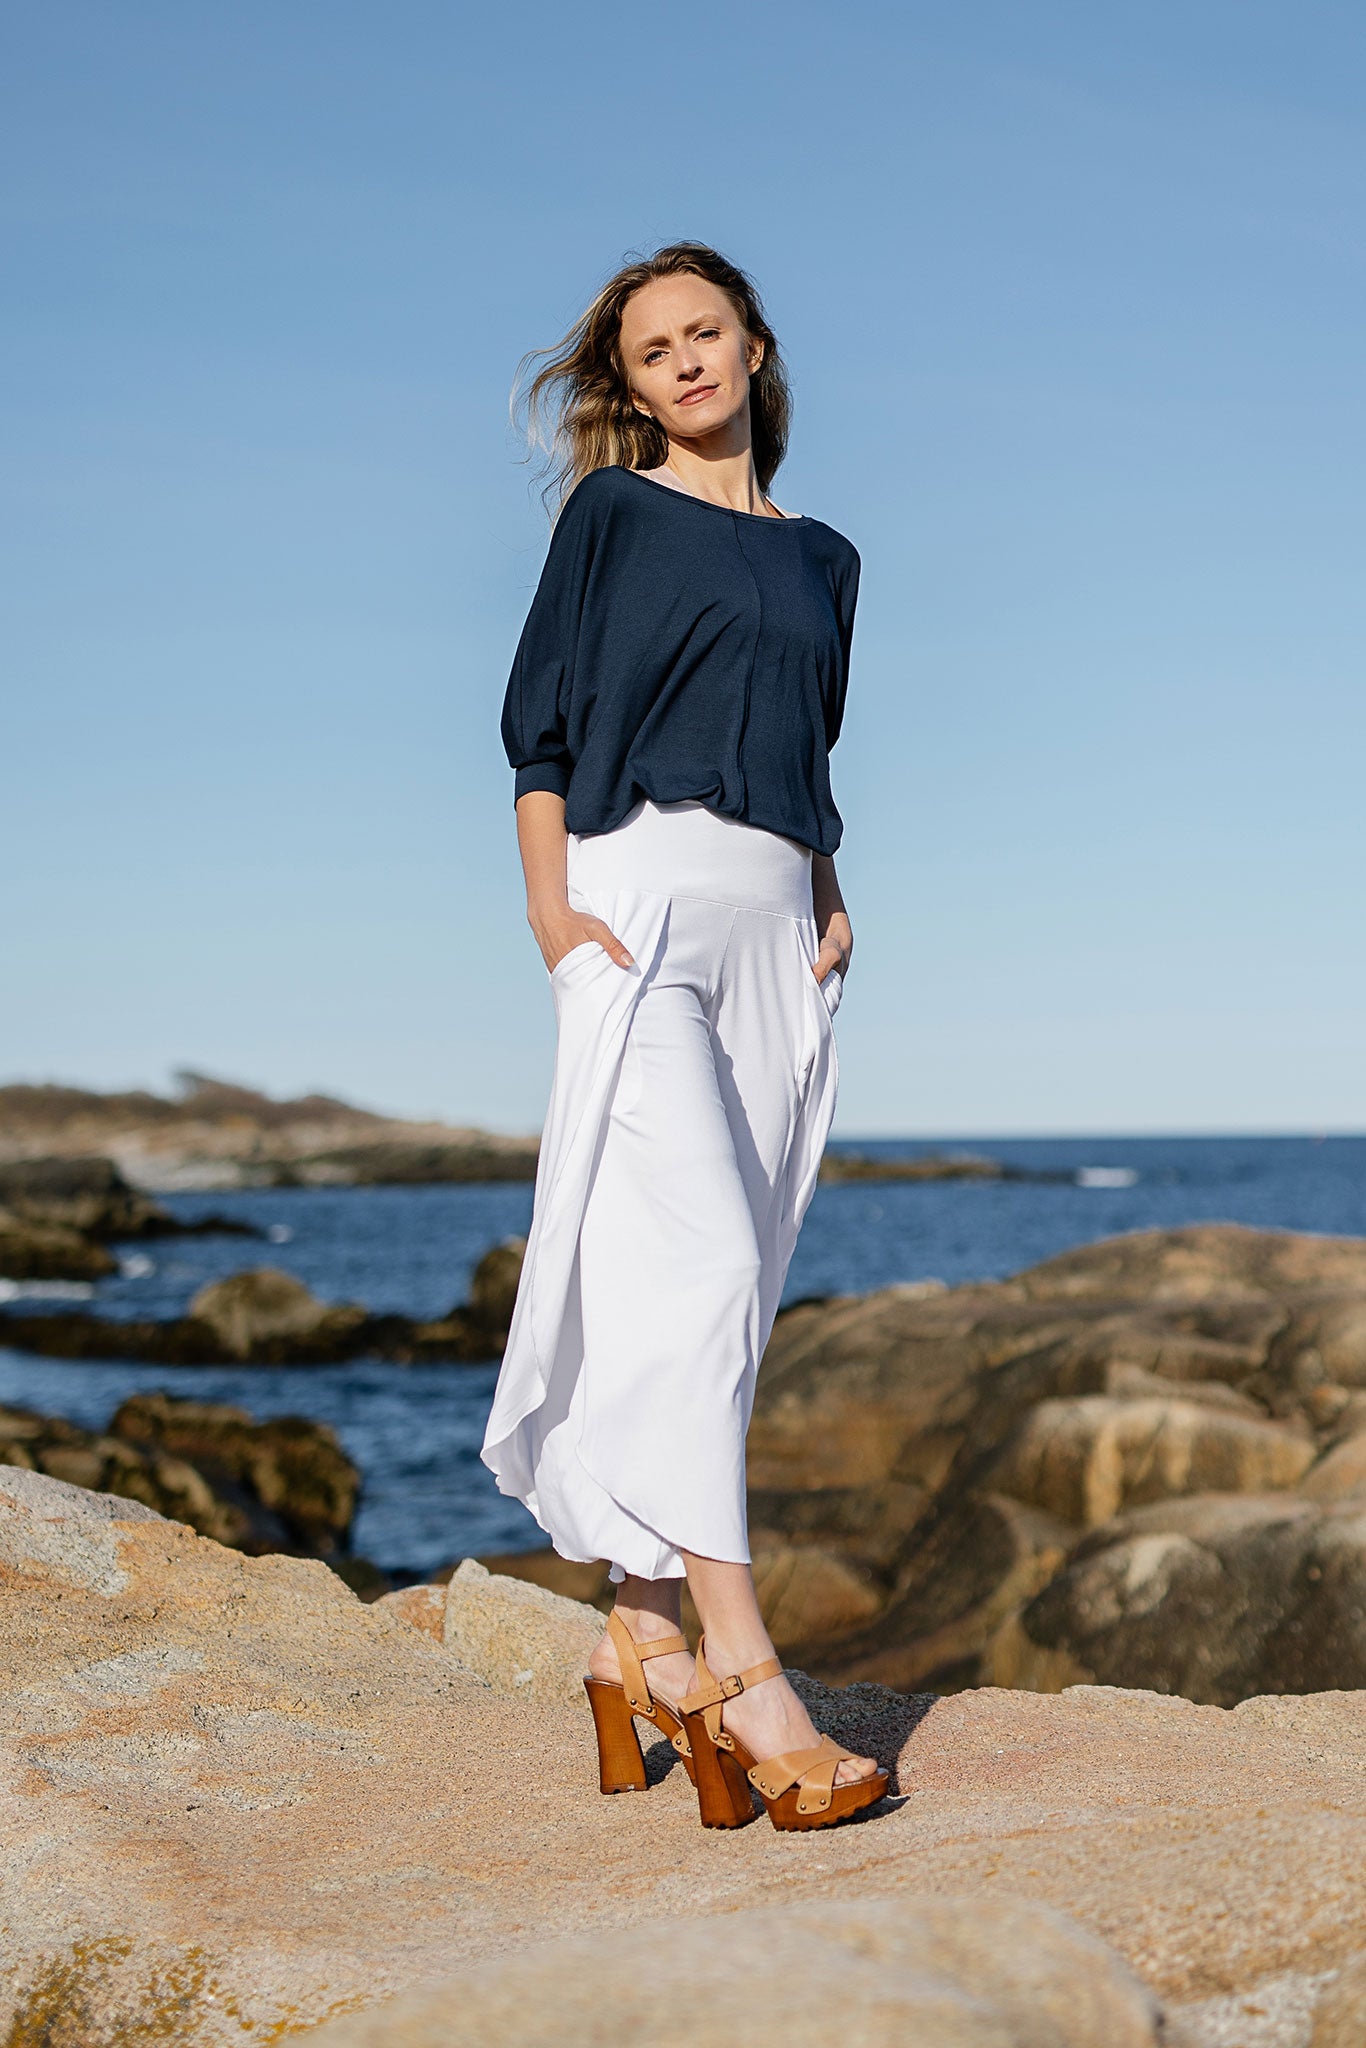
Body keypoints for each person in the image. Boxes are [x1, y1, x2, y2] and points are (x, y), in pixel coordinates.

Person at [481, 242, 886, 1831]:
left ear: (755, 347)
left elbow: (808, 740)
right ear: (632, 388)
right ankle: (742, 1666)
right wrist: (549, 913)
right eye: (654, 352)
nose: (687, 363)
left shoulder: (829, 558)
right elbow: (542, 722)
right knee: (699, 1263)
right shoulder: (611, 517)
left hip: (778, 922)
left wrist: (830, 886)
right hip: (632, 903)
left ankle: (633, 1636)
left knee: (731, 1287)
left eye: (705, 334)